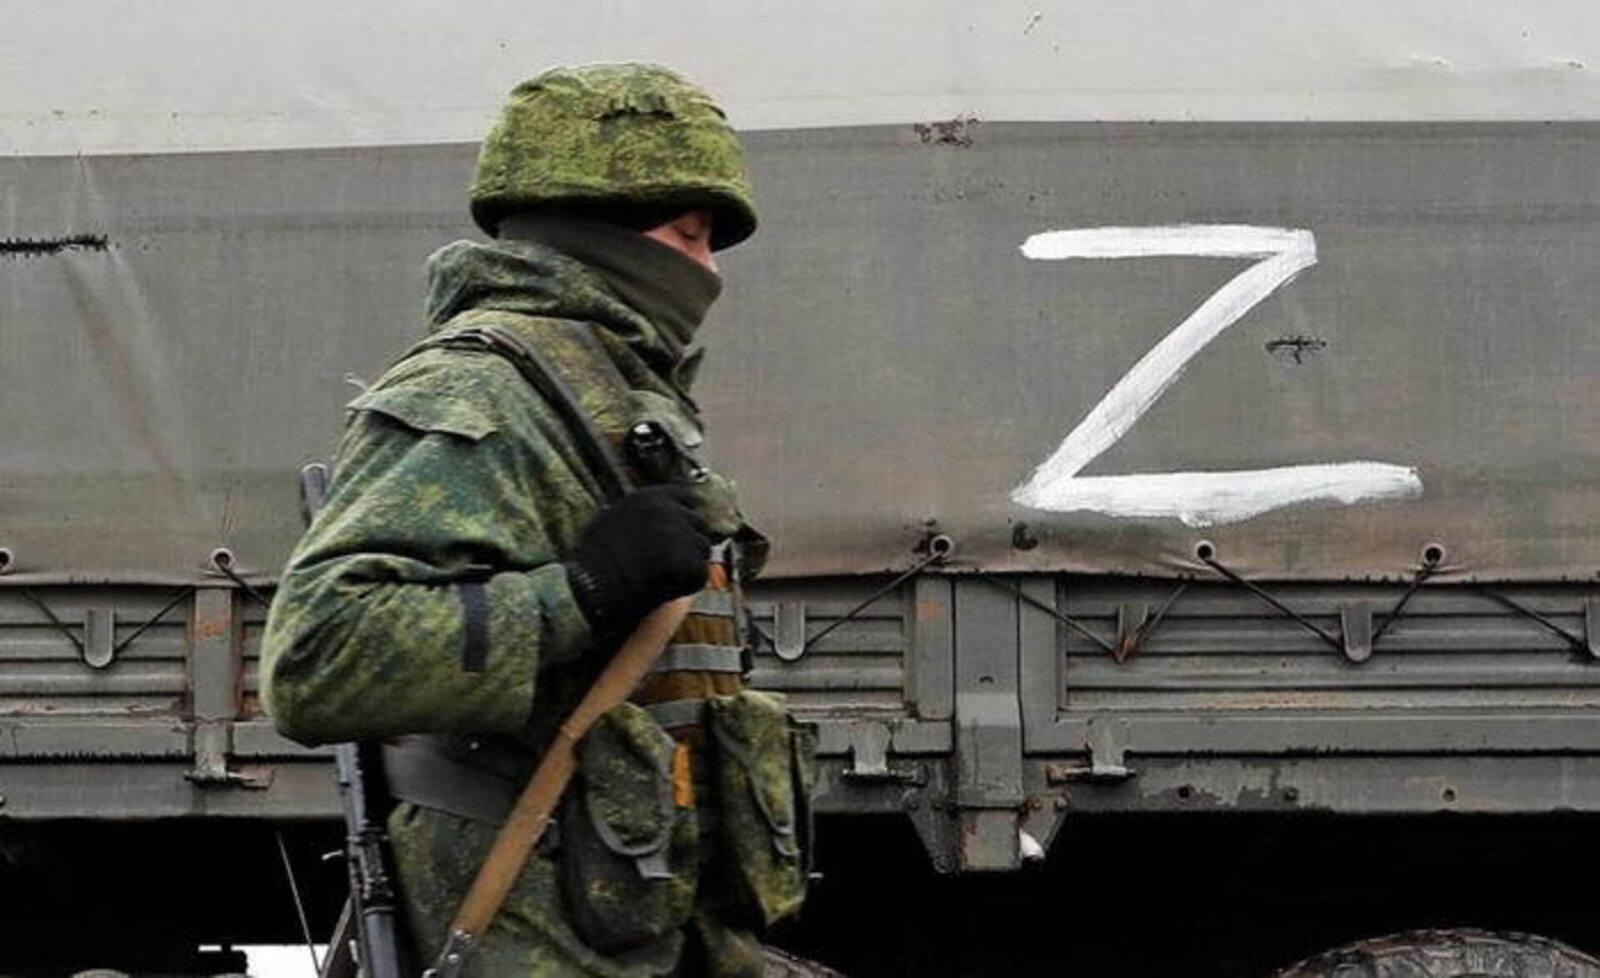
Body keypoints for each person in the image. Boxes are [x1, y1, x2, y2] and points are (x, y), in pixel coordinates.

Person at [261, 63, 811, 978]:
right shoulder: (478, 391)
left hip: (626, 926)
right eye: (688, 235)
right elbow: (320, 660)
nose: (707, 270)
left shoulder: (609, 392)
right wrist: (583, 591)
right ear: (598, 228)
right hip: (527, 931)